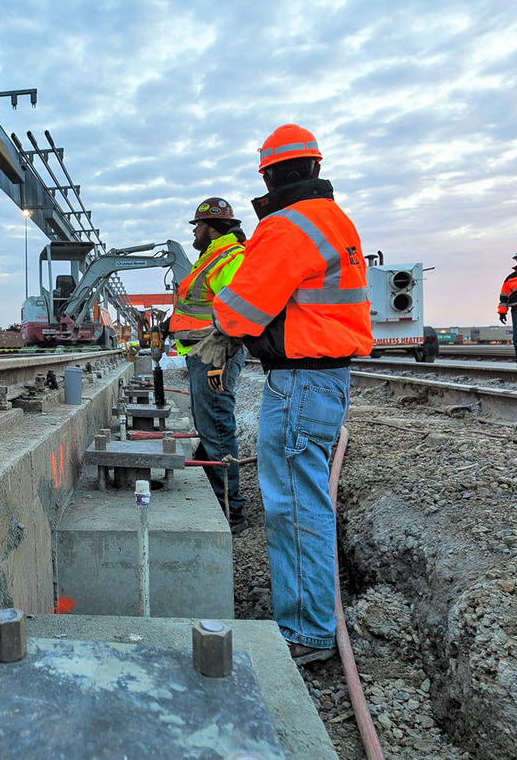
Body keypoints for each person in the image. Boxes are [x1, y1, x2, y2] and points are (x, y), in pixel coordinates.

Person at [204, 124, 373, 666]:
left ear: (270, 174)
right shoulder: (334, 219)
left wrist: (222, 323)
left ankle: (306, 632)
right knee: (305, 500)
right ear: (316, 169)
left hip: (300, 381)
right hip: (326, 378)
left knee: (295, 506)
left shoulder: (285, 225)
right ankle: (311, 623)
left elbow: (239, 309)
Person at [166, 197, 249, 534]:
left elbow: (237, 309)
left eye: (197, 225)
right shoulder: (210, 259)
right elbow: (199, 305)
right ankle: (221, 502)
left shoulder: (231, 258)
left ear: (213, 228)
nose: (194, 232)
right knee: (210, 427)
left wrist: (221, 353)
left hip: (216, 354)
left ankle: (231, 514)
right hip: (204, 353)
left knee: (216, 429)